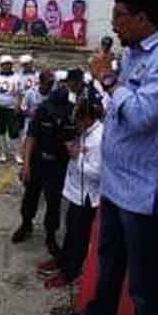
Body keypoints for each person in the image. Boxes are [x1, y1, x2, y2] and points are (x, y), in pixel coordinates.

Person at [57, 0, 158, 315]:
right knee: (109, 259)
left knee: (145, 278)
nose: (113, 24)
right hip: (116, 180)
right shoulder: (131, 52)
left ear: (142, 18)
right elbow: (121, 105)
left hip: (146, 187)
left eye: (119, 16)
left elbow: (143, 115)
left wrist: (108, 80)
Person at [39, 94, 103, 289]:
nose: (76, 125)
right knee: (70, 230)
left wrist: (76, 156)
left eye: (78, 121)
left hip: (86, 196)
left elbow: (98, 173)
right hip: (75, 191)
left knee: (79, 236)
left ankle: (71, 272)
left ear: (87, 118)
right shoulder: (86, 132)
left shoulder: (98, 138)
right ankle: (63, 260)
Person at [12, 79, 75, 257]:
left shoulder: (72, 112)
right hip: (38, 160)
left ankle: (50, 235)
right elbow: (31, 137)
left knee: (54, 201)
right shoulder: (43, 110)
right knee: (30, 196)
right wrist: (26, 164)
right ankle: (26, 225)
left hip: (59, 164)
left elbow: (76, 137)